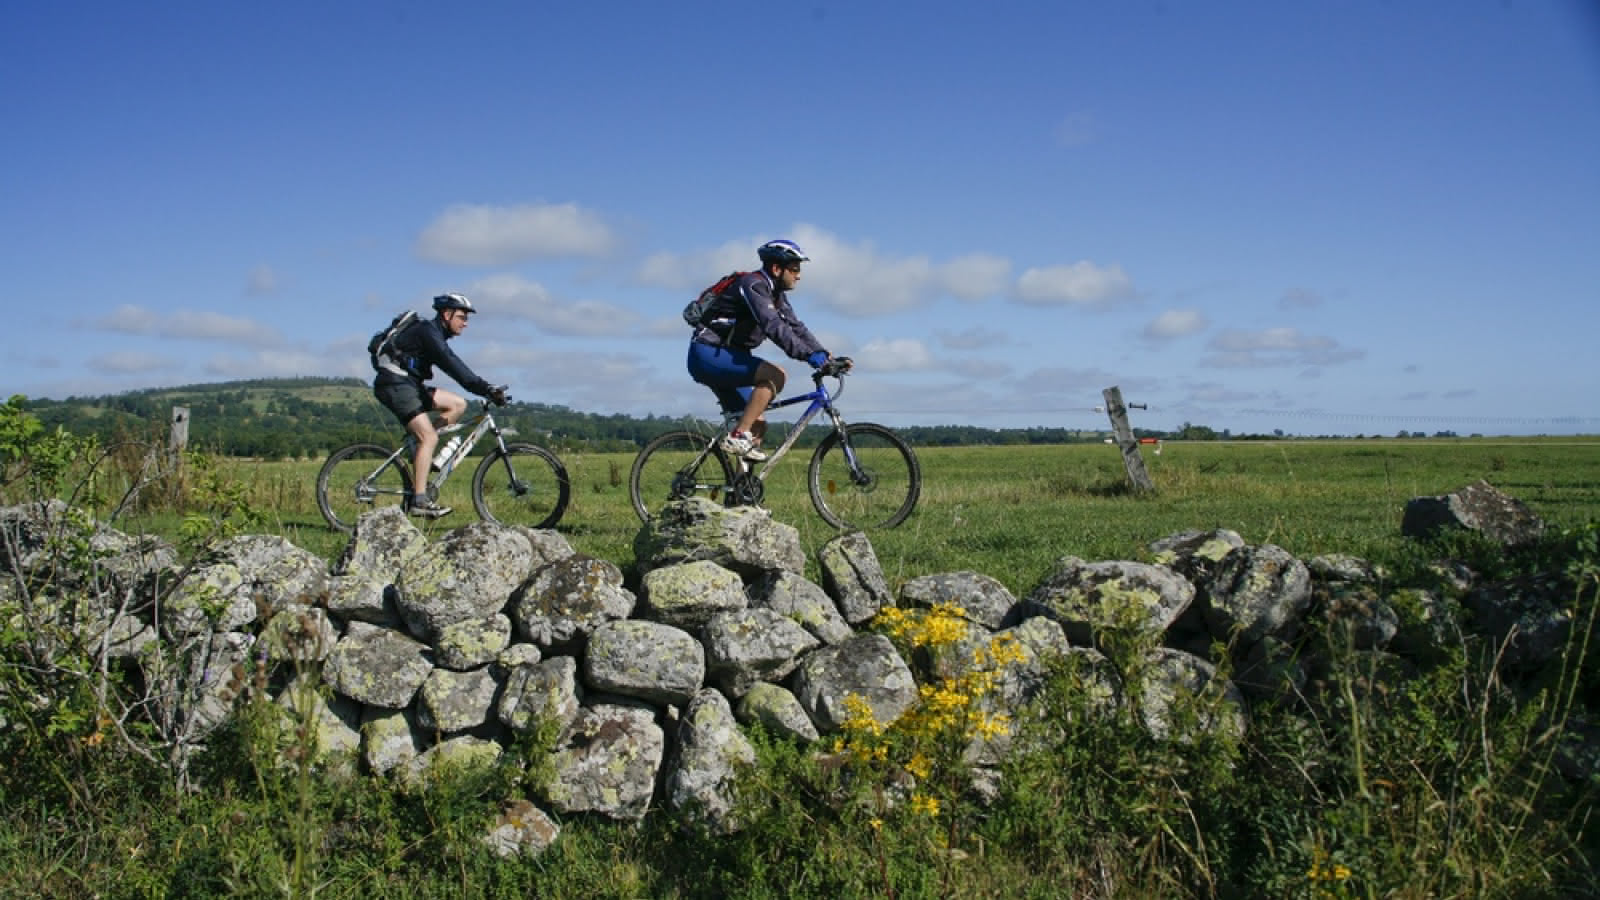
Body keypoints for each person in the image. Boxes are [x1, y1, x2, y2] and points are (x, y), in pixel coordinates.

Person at [686, 238, 845, 461]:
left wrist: (826, 355)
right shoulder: (753, 286)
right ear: (776, 268)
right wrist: (809, 355)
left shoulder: (777, 296)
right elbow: (773, 326)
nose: (798, 275)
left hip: (730, 356)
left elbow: (796, 327)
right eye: (794, 269)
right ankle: (738, 434)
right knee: (775, 376)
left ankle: (741, 491)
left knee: (757, 425)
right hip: (707, 353)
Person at [372, 292, 506, 518]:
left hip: (409, 384)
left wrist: (485, 388)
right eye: (462, 317)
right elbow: (455, 368)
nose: (465, 323)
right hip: (394, 384)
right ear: (446, 314)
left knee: (457, 405)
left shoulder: (435, 334)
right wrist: (486, 388)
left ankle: (421, 451)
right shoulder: (429, 333)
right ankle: (419, 501)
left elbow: (455, 369)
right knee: (430, 438)